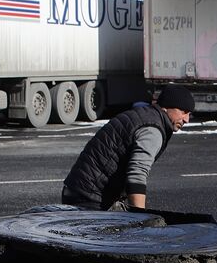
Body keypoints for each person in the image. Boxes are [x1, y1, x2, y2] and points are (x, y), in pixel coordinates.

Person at [60, 85, 193, 209]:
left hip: (80, 190)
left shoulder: (146, 116)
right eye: (183, 111)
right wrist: (140, 217)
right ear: (167, 107)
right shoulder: (152, 129)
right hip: (88, 197)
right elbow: (137, 174)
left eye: (189, 114)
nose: (187, 119)